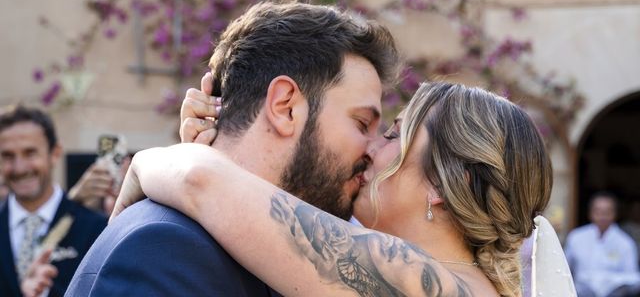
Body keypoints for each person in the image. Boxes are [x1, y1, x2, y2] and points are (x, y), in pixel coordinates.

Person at [112, 80, 576, 296]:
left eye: (395, 136)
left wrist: (144, 166)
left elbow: (200, 181)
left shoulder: (425, 286)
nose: (372, 149)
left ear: (443, 182)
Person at [65, 1, 399, 296]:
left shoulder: (268, 252)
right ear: (286, 107)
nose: (373, 150)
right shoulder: (166, 248)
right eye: (361, 124)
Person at [0, 105, 107, 297]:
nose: (19, 168)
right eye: (8, 156)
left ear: (55, 153)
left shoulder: (97, 229)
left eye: (30, 153)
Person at [565, 192, 640, 297]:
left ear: (615, 213)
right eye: (598, 211)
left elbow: (633, 279)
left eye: (607, 211)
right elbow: (565, 270)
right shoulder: (576, 237)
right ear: (590, 213)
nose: (602, 216)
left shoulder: (625, 242)